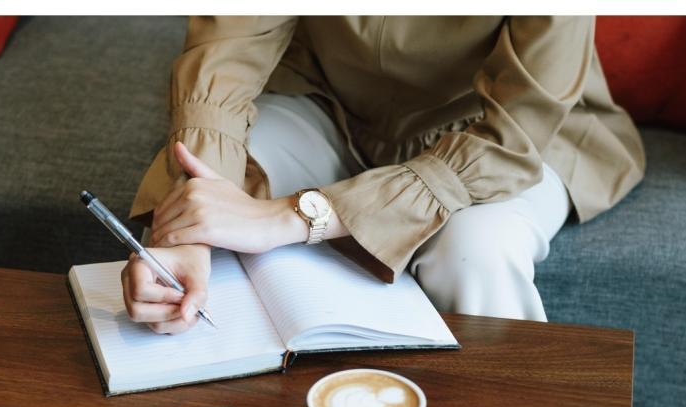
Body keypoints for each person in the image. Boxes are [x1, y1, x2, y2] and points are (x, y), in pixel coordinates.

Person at [122, 16, 645, 334]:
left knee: (474, 252)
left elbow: (512, 136)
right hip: (332, 105)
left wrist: (297, 215)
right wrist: (192, 234)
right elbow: (225, 57)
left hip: (501, 133)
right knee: (201, 202)